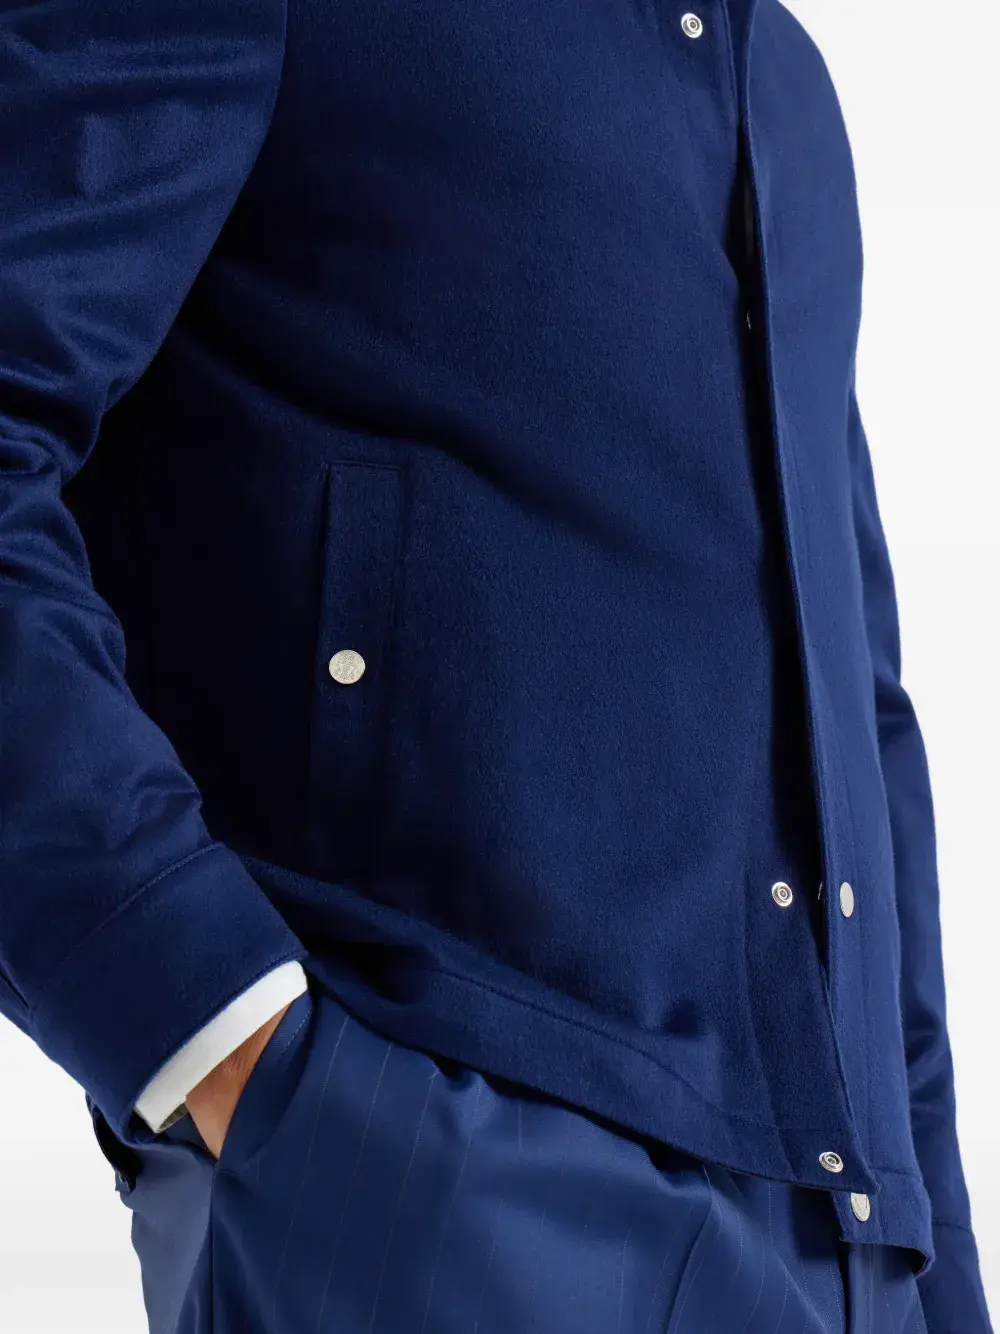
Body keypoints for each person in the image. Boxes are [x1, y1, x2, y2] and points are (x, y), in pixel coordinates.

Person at [0, 1, 992, 1330]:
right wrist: (226, 1039)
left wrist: (937, 1266)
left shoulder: (784, 81)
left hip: (848, 1256)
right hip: (440, 1177)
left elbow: (857, 719)